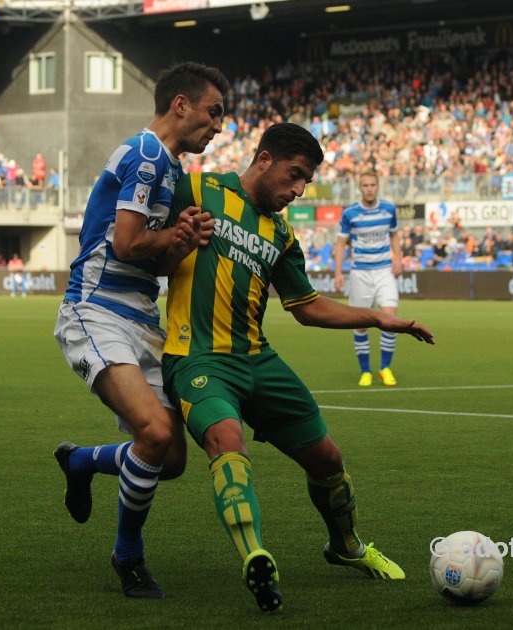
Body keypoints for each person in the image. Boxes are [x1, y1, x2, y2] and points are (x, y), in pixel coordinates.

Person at [161, 123, 435, 612]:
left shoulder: (282, 234)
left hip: (258, 361)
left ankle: (346, 547)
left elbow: (305, 306)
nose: (297, 190)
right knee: (227, 438)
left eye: (305, 182)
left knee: (328, 457)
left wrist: (376, 318)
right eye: (294, 176)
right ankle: (256, 558)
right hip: (197, 357)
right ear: (263, 159)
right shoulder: (196, 187)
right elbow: (144, 235)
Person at [52, 61, 229, 600]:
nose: (219, 126)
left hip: (140, 317)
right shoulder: (148, 153)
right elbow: (126, 244)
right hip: (95, 308)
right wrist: (173, 233)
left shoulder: (170, 168)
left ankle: (80, 460)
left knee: (170, 459)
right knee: (154, 433)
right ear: (181, 104)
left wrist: (182, 240)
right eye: (213, 112)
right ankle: (128, 555)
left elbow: (150, 261)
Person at [333, 170, 403, 387]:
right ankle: (365, 371)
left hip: (383, 270)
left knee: (390, 319)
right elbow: (341, 244)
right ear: (359, 187)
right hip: (360, 272)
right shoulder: (350, 213)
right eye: (365, 185)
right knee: (360, 324)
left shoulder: (389, 209)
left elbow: (394, 235)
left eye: (373, 185)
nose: (369, 188)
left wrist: (399, 258)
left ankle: (385, 368)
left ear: (378, 186)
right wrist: (337, 271)